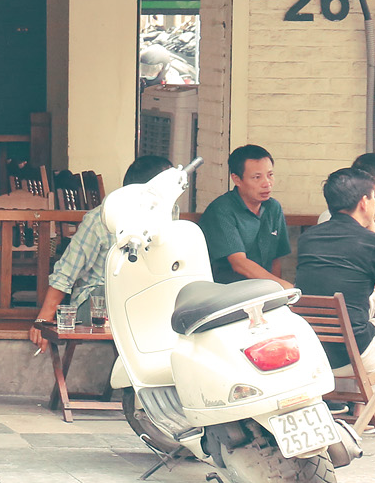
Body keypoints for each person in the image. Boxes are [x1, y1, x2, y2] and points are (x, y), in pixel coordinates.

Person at [30, 154, 172, 343]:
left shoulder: (167, 219)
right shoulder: (100, 219)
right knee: (119, 290)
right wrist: (43, 320)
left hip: (145, 300)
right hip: (98, 303)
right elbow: (66, 272)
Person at [295, 165, 375, 373]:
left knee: (371, 301)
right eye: (373, 198)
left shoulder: (307, 238)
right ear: (364, 202)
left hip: (315, 353)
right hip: (355, 357)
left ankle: (360, 407)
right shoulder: (373, 244)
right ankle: (373, 403)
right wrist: (374, 233)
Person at [199, 144, 290, 286]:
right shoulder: (221, 210)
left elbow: (275, 259)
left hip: (263, 290)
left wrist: (277, 293)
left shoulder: (273, 208)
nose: (267, 183)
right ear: (237, 179)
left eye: (270, 175)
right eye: (257, 177)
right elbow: (239, 263)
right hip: (227, 292)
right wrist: (280, 285)